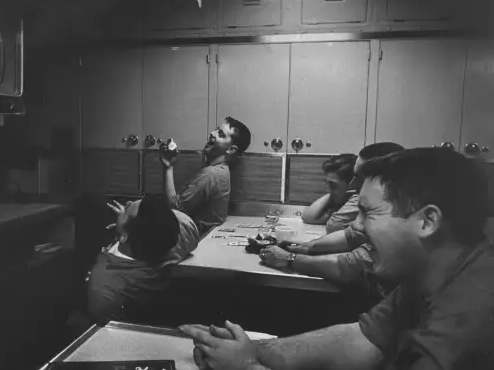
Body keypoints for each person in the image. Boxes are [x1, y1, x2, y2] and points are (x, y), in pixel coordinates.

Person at [181, 148, 494, 370]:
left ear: (427, 222)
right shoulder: (424, 278)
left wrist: (248, 367)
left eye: (368, 214)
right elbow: (362, 340)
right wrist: (248, 349)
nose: (356, 226)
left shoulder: (476, 308)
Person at [261, 142, 404, 297]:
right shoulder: (376, 205)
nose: (353, 185)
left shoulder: (395, 214)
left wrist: (290, 259)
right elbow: (351, 235)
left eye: (360, 178)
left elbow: (355, 266)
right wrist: (307, 247)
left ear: (388, 181)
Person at [86, 195, 198, 324]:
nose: (127, 203)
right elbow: (186, 224)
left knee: (90, 203)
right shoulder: (168, 242)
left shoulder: (106, 287)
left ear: (125, 237)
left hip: (99, 277)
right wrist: (125, 224)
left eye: (127, 209)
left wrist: (123, 227)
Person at [162, 117, 251, 236]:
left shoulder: (211, 175)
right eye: (216, 130)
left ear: (231, 149)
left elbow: (175, 209)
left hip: (195, 240)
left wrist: (168, 167)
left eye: (220, 134)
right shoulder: (222, 171)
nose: (211, 133)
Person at [301, 153, 359, 233]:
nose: (328, 189)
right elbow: (307, 217)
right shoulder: (339, 203)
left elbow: (334, 226)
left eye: (333, 185)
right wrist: (331, 194)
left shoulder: (357, 206)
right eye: (327, 183)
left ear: (352, 185)